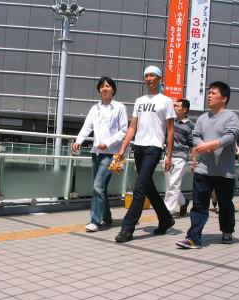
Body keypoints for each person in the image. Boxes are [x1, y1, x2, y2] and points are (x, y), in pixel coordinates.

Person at [176, 81, 239, 249]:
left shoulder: (231, 117)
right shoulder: (202, 118)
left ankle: (227, 230)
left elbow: (231, 136)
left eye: (213, 93)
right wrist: (202, 145)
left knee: (225, 203)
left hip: (224, 171)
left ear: (224, 98)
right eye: (209, 92)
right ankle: (193, 238)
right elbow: (195, 136)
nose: (209, 95)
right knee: (199, 204)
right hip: (203, 169)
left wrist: (211, 145)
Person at [114, 65, 175, 243]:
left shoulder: (166, 101)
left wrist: (168, 155)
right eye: (146, 76)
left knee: (139, 189)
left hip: (154, 147)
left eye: (152, 75)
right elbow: (133, 126)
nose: (149, 78)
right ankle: (165, 218)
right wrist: (123, 147)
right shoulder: (139, 100)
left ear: (159, 78)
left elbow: (170, 130)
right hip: (138, 147)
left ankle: (127, 228)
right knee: (148, 187)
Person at [73, 76, 128, 232]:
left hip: (111, 154)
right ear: (99, 90)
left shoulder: (119, 107)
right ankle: (107, 217)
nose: (105, 88)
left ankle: (95, 221)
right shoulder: (94, 108)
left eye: (108, 86)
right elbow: (87, 127)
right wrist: (78, 141)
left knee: (97, 185)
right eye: (102, 86)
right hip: (96, 153)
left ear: (113, 89)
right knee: (100, 187)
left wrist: (108, 143)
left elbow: (124, 130)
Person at [164, 98, 194, 216]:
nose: (174, 108)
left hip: (181, 158)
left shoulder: (191, 125)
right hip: (168, 157)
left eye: (177, 106)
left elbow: (193, 144)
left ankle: (167, 211)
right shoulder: (171, 121)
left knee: (174, 184)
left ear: (185, 109)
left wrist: (194, 161)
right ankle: (184, 202)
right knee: (169, 185)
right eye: (174, 106)